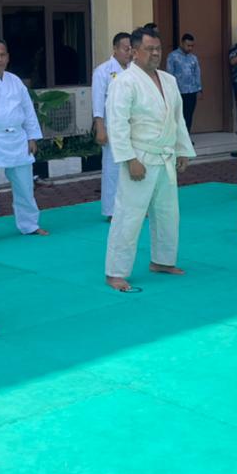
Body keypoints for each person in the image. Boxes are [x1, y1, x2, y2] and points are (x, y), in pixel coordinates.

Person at [103, 27, 196, 293]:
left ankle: (162, 261)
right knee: (129, 215)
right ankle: (115, 272)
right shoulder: (124, 81)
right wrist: (129, 159)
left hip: (165, 155)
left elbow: (177, 120)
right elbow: (117, 124)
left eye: (158, 48)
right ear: (134, 52)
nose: (155, 53)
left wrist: (182, 150)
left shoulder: (169, 80)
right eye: (149, 49)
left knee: (168, 213)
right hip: (140, 156)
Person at [0, 40, 48, 243]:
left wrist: (31, 136)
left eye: (2, 55)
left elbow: (27, 109)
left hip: (17, 138)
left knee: (25, 186)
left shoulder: (15, 81)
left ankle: (30, 224)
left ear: (7, 57)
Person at [91, 32, 133, 220]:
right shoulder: (103, 71)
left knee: (134, 167)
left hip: (133, 126)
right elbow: (98, 101)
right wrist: (100, 127)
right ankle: (111, 211)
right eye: (125, 49)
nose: (129, 52)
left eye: (131, 49)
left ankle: (134, 207)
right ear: (115, 49)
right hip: (112, 126)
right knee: (112, 169)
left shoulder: (134, 70)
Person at [164, 33, 202, 132]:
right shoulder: (173, 56)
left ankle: (187, 135)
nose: (190, 48)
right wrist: (171, 90)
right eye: (188, 45)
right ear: (182, 43)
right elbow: (169, 74)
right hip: (178, 91)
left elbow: (197, 73)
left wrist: (199, 89)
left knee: (189, 115)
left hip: (191, 91)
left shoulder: (193, 58)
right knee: (178, 115)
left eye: (192, 46)